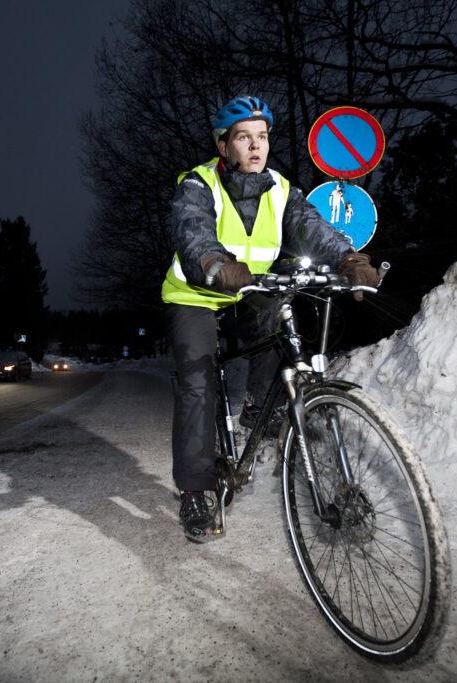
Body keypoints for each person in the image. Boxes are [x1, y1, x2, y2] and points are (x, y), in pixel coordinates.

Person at [162, 95, 381, 542]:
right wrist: (213, 262)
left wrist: (349, 259)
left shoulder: (281, 189)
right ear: (225, 146)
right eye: (244, 138)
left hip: (250, 290)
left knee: (283, 327)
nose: (256, 146)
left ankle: (259, 406)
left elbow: (312, 226)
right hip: (198, 293)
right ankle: (195, 491)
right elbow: (193, 228)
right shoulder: (199, 185)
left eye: (262, 137)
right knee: (198, 381)